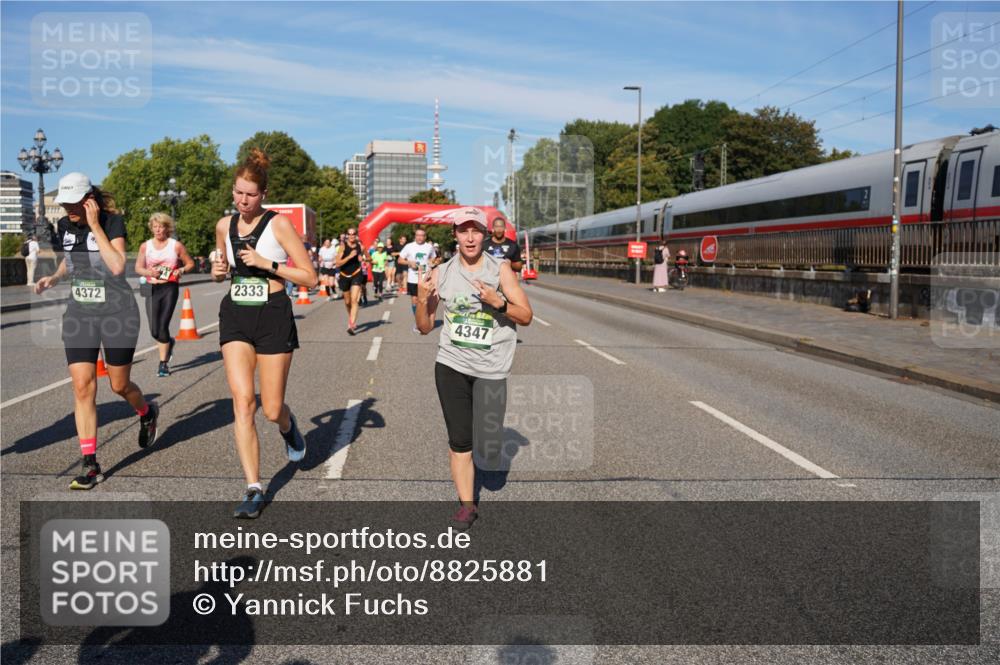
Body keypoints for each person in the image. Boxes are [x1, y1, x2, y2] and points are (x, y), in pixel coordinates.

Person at [34, 172, 159, 490]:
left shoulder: (112, 222)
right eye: (64, 203)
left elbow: (117, 265)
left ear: (89, 199)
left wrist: (95, 226)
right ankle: (90, 464)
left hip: (118, 312)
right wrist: (54, 278)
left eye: (73, 203)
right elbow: (70, 261)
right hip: (80, 313)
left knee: (119, 384)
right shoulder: (64, 225)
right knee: (82, 386)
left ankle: (146, 412)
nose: (68, 209)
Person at [212, 149, 317, 518]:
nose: (243, 201)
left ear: (264, 195)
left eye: (251, 195)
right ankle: (254, 488)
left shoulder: (279, 225)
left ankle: (288, 426)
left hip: (273, 314)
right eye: (238, 193)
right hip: (236, 315)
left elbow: (309, 277)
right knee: (243, 402)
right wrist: (218, 271)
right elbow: (220, 270)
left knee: (271, 409)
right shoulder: (224, 226)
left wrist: (266, 263)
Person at [414, 207, 532, 530]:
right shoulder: (441, 273)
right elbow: (424, 327)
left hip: (491, 367)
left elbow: (526, 315)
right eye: (463, 231)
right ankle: (467, 505)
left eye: (475, 231)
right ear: (454, 235)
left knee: (488, 447)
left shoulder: (500, 270)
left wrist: (499, 303)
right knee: (460, 441)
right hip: (451, 364)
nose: (469, 237)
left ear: (484, 235)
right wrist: (421, 300)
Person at [135, 213, 195, 376]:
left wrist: (181, 270)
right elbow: (138, 268)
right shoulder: (145, 246)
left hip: (169, 288)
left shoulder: (176, 246)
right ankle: (169, 342)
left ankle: (163, 364)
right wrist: (149, 272)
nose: (157, 230)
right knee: (154, 330)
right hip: (151, 287)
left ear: (167, 228)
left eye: (161, 226)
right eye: (155, 227)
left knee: (162, 326)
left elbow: (190, 263)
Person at [399, 227, 437, 331]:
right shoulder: (409, 246)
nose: (420, 237)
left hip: (426, 278)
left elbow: (434, 258)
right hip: (413, 278)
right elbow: (400, 260)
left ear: (425, 237)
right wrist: (409, 262)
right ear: (415, 236)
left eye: (422, 235)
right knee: (415, 300)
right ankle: (418, 322)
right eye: (418, 235)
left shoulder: (429, 247)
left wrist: (432, 262)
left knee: (426, 300)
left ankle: (426, 320)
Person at [335, 227, 365, 335]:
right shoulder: (342, 247)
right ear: (347, 235)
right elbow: (337, 263)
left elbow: (368, 258)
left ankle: (351, 325)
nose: (352, 236)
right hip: (344, 275)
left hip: (356, 274)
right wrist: (349, 256)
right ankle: (351, 317)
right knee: (347, 302)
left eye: (353, 234)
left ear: (356, 235)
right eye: (349, 234)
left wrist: (364, 259)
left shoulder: (360, 246)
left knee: (354, 300)